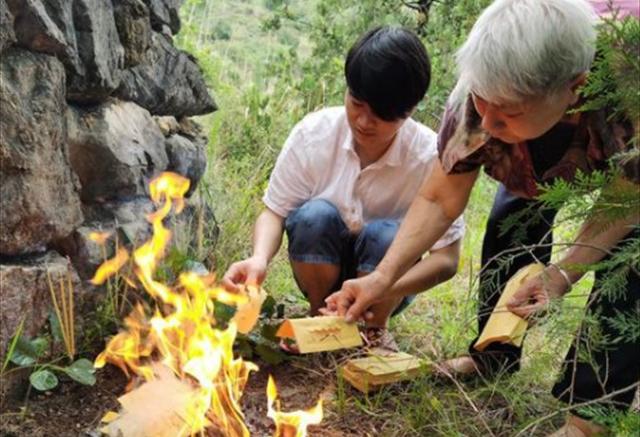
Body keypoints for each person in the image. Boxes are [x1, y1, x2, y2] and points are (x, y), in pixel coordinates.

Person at [325, 1, 639, 435]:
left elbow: (628, 196)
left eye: (506, 111)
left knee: (630, 267)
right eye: (481, 100)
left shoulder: (629, 85)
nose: (487, 121)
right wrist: (381, 279)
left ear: (576, 89)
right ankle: (493, 356)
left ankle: (588, 417)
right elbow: (439, 200)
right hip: (546, 135)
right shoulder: (481, 91)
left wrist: (564, 272)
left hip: (630, 170)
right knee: (511, 218)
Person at [222, 26, 464, 351]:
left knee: (387, 236)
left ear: (410, 110)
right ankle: (320, 317)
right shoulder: (314, 134)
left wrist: (385, 286)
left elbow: (447, 260)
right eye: (356, 103)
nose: (364, 121)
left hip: (387, 286)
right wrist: (259, 258)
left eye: (381, 115)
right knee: (313, 216)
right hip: (321, 266)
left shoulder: (429, 157)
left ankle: (374, 326)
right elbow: (274, 213)